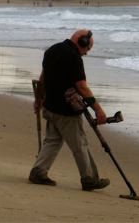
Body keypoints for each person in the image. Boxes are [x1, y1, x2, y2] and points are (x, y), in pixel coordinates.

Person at [29, 29, 110, 192]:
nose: (86, 53)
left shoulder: (52, 50)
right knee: (80, 144)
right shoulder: (74, 58)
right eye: (87, 49)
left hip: (50, 106)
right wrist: (99, 110)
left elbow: (42, 78)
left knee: (52, 141)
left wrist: (38, 99)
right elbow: (82, 86)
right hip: (66, 111)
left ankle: (38, 172)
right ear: (82, 42)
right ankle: (89, 179)